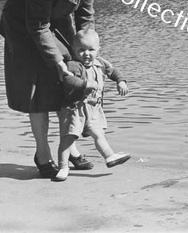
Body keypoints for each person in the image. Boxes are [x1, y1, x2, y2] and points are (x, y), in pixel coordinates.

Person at [0, 0, 114, 177]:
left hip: (56, 20)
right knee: (38, 89)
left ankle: (69, 149)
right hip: (23, 27)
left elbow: (85, 14)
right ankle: (43, 154)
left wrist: (86, 47)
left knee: (72, 78)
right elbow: (37, 26)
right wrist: (58, 62)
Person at [54, 28, 131, 182]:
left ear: (98, 50)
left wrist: (120, 81)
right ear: (74, 50)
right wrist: (85, 84)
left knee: (98, 134)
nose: (86, 54)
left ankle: (109, 156)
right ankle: (63, 167)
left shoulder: (100, 63)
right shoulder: (73, 65)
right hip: (74, 110)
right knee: (68, 139)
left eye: (91, 50)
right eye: (81, 50)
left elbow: (113, 71)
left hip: (93, 109)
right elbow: (68, 80)